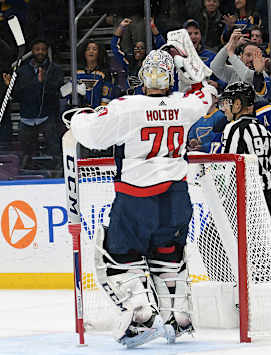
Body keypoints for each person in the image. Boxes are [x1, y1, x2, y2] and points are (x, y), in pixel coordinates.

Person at [67, 48, 215, 348]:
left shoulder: (127, 106)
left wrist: (78, 118)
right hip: (176, 197)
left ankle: (140, 315)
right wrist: (186, 60)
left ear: (142, 77)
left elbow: (93, 136)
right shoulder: (184, 104)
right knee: (168, 254)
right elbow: (206, 91)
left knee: (119, 253)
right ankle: (179, 316)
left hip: (137, 197)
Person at [219, 81, 271, 234]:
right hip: (269, 200)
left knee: (240, 254)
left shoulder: (233, 129)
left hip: (246, 203)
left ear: (238, 104)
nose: (224, 108)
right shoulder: (262, 129)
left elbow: (227, 168)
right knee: (267, 255)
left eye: (228, 103)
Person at [3, 39, 64, 169]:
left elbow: (57, 90)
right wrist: (10, 87)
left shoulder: (55, 69)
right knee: (26, 154)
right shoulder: (22, 71)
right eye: (37, 49)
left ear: (47, 51)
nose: (40, 52)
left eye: (43, 49)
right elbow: (18, 95)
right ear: (32, 51)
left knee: (55, 151)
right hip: (27, 116)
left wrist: (43, 82)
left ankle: (58, 173)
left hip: (47, 116)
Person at [211, 28, 269, 101]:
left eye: (255, 56)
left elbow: (247, 76)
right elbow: (215, 67)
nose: (251, 59)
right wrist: (230, 44)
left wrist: (231, 54)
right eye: (248, 55)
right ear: (241, 56)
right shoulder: (234, 71)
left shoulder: (262, 75)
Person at [111, 17, 165, 95]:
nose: (138, 50)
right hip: (130, 100)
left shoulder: (152, 63)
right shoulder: (127, 62)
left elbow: (162, 47)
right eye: (136, 48)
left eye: (141, 48)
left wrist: (152, 26)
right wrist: (121, 27)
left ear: (146, 51)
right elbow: (114, 46)